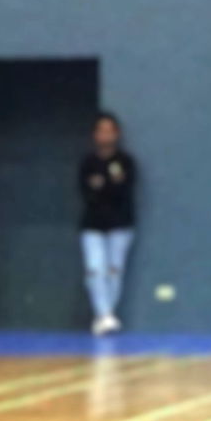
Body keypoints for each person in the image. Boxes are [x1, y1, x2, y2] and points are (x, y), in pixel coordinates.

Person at [79, 112, 137, 337]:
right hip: (92, 225)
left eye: (109, 131)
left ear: (117, 134)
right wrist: (103, 187)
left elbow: (122, 191)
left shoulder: (125, 162)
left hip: (120, 225)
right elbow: (87, 193)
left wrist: (104, 186)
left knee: (114, 271)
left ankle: (105, 315)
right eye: (101, 131)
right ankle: (104, 314)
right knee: (95, 270)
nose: (105, 135)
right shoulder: (88, 163)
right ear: (95, 135)